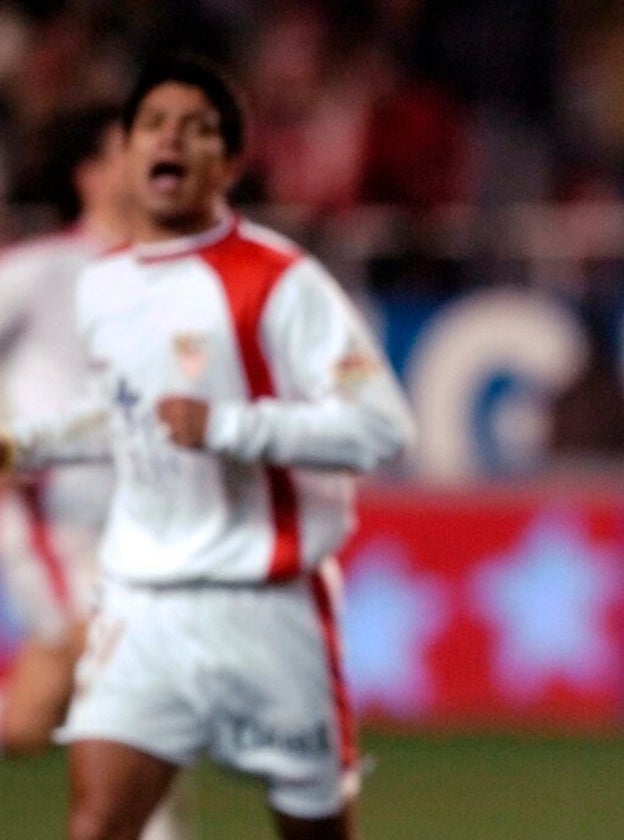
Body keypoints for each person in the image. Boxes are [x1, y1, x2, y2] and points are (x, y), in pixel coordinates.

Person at [0, 52, 417, 840]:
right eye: (154, 124)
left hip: (261, 604)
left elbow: (381, 427)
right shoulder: (105, 286)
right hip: (143, 600)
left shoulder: (279, 280)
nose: (173, 141)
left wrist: (231, 426)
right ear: (124, 156)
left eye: (198, 129)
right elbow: (128, 416)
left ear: (228, 162)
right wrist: (25, 444)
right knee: (97, 825)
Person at [0, 102, 195, 840]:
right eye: (130, 146)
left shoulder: (175, 278)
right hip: (61, 523)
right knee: (128, 691)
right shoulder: (41, 272)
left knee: (42, 721)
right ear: (91, 173)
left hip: (153, 529)